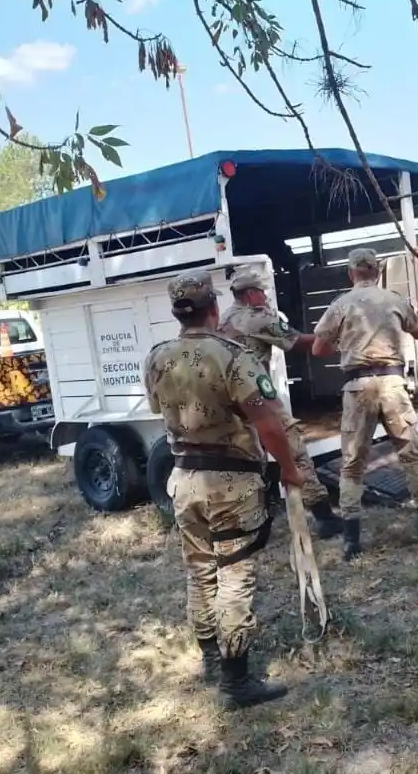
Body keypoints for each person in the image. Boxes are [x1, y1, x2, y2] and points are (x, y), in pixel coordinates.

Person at [142, 268, 304, 710]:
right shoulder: (231, 355)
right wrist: (288, 469)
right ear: (214, 308)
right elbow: (268, 422)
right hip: (230, 483)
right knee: (234, 575)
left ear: (178, 311)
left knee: (199, 572)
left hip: (184, 480)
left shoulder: (157, 357)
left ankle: (211, 661)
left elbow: (161, 408)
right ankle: (236, 681)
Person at [311, 248, 418, 560]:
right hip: (393, 385)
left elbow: (318, 349)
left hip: (358, 387)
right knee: (412, 456)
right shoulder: (395, 299)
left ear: (351, 273)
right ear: (376, 271)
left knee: (352, 463)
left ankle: (352, 539)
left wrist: (344, 341)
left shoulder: (341, 304)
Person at [218, 269, 344, 540]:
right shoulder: (258, 318)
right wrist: (336, 337)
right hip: (257, 396)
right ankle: (324, 517)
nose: (265, 296)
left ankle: (248, 521)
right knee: (295, 451)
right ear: (251, 294)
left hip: (230, 401)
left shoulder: (224, 318)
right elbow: (299, 342)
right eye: (262, 291)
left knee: (246, 461)